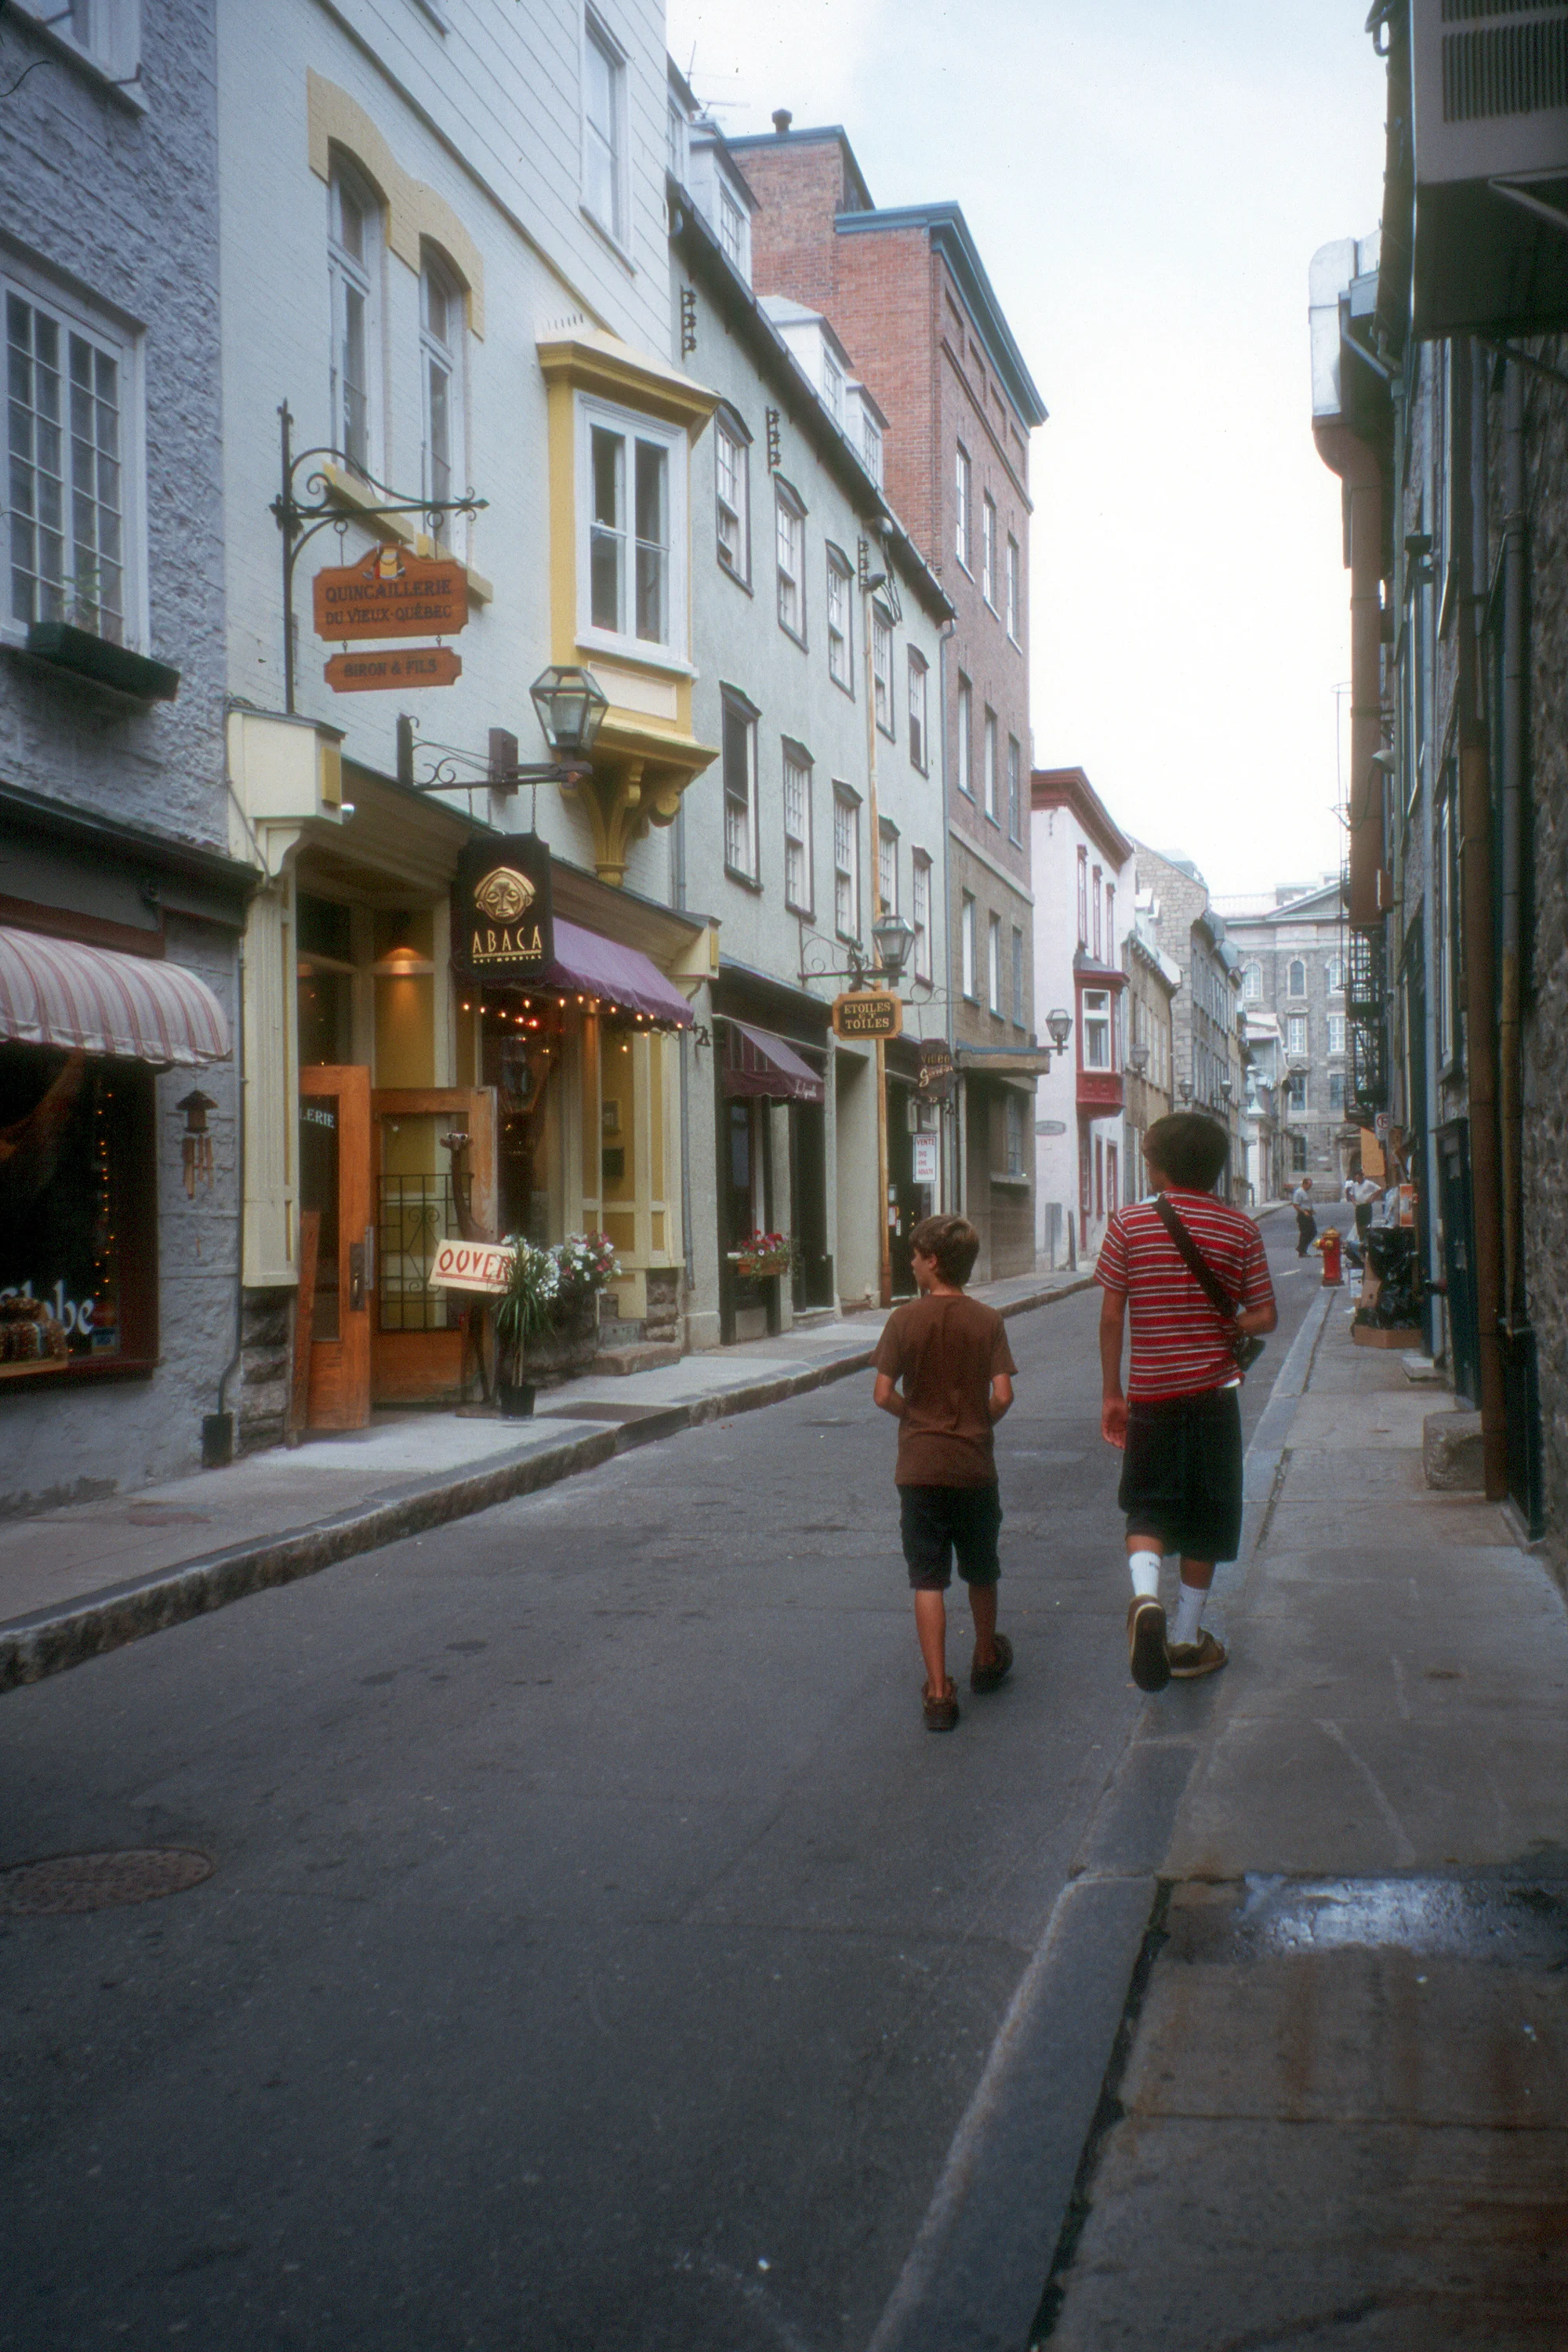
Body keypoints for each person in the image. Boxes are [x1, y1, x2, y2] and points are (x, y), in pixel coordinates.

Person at [1098, 1113, 1279, 1691]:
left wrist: (1112, 1391)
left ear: (1159, 1165)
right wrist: (1230, 1325)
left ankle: (1146, 1598)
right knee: (1207, 1515)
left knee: (1147, 1505)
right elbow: (1265, 1317)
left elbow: (1110, 1315)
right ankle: (1184, 1636)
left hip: (1151, 1394)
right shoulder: (1239, 1229)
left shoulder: (1128, 1223)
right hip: (1212, 1398)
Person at [873, 1213, 1016, 1732]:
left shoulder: (902, 1321)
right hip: (973, 1465)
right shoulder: (987, 1321)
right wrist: (977, 1420)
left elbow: (883, 1394)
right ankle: (984, 1657)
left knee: (927, 1577)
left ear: (932, 1262)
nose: (910, 1262)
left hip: (920, 1466)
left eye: (914, 1255)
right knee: (982, 1568)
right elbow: (1003, 1394)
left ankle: (937, 1691)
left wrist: (916, 1418)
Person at [1292, 1175, 1316, 1257]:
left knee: (1313, 1232)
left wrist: (1312, 1210)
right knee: (1305, 1233)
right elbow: (1295, 1205)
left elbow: (1307, 1203)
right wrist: (1304, 1212)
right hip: (1303, 1215)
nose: (1310, 1187)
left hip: (1308, 1213)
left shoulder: (1306, 1192)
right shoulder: (1299, 1192)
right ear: (1304, 1184)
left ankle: (1301, 1248)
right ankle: (1302, 1251)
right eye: (1309, 1185)